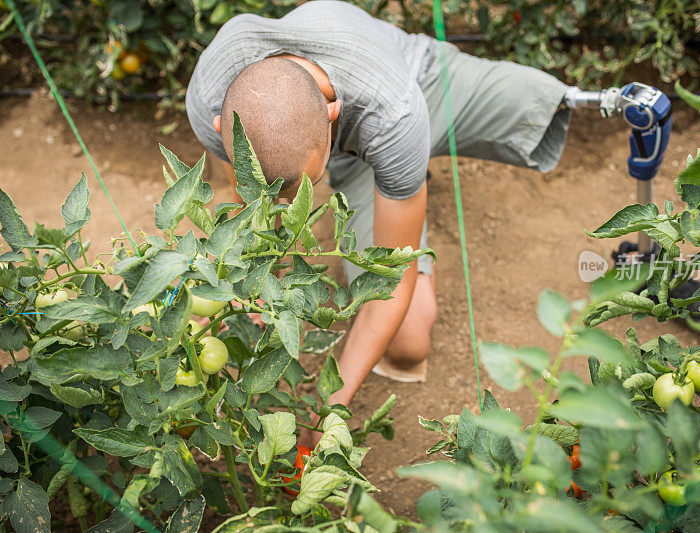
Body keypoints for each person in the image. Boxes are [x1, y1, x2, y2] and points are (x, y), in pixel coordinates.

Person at [186, 0, 595, 442]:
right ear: (219, 127)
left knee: (538, 99)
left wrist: (331, 407)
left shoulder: (392, 113)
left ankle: (402, 182)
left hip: (419, 78)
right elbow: (255, 211)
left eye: (306, 186)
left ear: (331, 116)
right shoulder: (213, 93)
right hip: (359, 134)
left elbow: (392, 282)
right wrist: (258, 292)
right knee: (408, 345)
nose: (286, 202)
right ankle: (397, 184)